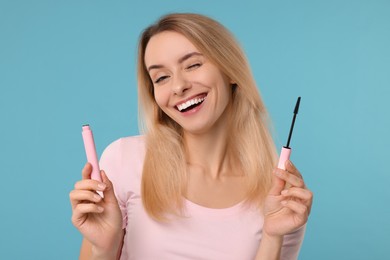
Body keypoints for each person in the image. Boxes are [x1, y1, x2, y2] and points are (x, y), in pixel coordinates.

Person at [70, 13, 313, 260]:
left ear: (230, 69)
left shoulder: (278, 194)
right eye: (162, 77)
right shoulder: (124, 161)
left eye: (193, 65)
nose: (178, 87)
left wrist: (273, 238)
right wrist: (104, 248)